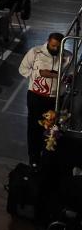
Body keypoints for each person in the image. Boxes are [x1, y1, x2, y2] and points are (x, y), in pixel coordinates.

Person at [18, 32, 72, 164]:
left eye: (58, 47)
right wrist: (38, 73)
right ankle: (34, 157)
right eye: (52, 46)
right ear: (48, 41)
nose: (54, 49)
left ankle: (47, 155)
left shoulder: (68, 56)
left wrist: (64, 77)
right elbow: (23, 69)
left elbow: (72, 74)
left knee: (51, 129)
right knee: (34, 127)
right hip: (36, 97)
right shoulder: (35, 52)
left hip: (54, 98)